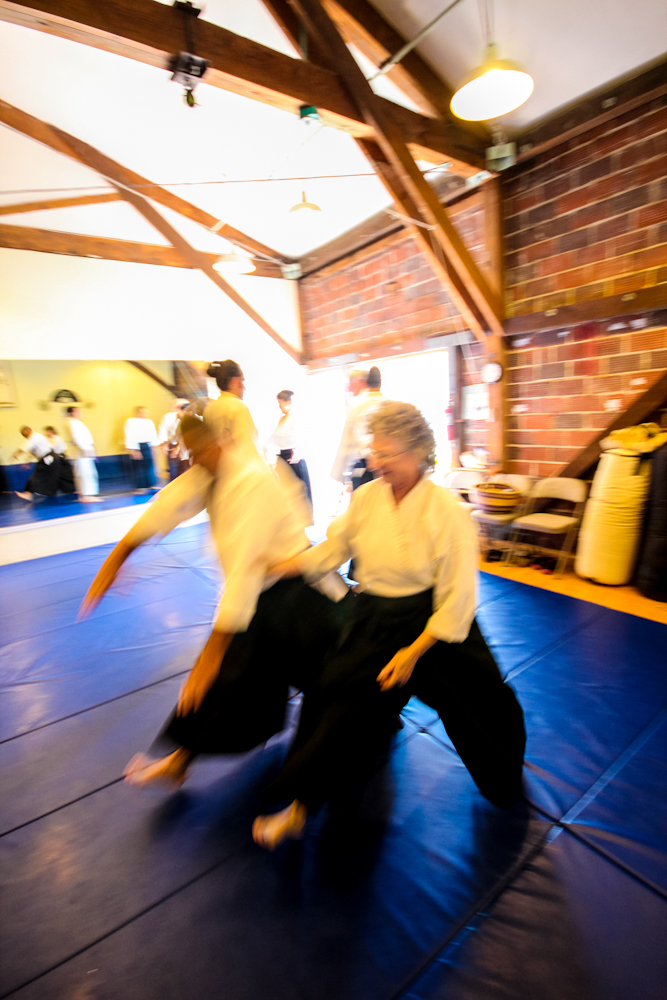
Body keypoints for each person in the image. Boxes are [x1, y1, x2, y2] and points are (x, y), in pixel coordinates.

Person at [252, 401, 526, 849]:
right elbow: (333, 549)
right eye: (373, 452)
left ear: (418, 452)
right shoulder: (366, 499)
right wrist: (283, 567)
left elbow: (459, 597)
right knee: (333, 697)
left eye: (387, 454)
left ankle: (505, 774)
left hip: (435, 620)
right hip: (377, 617)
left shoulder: (447, 512)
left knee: (485, 703)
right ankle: (301, 807)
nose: (376, 463)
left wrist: (413, 653)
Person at [79, 415, 348, 790]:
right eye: (192, 454)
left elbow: (243, 572)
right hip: (264, 593)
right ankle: (181, 760)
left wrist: (209, 656)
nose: (198, 459)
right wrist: (118, 557)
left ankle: (353, 736)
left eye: (203, 450)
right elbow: (170, 503)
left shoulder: (251, 480)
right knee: (233, 677)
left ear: (220, 441)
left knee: (329, 681)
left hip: (299, 591)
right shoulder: (211, 469)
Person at [331, 366, 383, 491]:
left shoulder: (356, 404)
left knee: (362, 499)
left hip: (363, 462)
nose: (349, 388)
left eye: (351, 383)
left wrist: (338, 474)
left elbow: (346, 440)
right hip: (382, 464)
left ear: (363, 382)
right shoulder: (387, 403)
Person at [204, 360, 258, 455]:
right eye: (242, 381)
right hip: (237, 463)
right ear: (234, 381)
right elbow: (248, 448)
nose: (244, 388)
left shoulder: (209, 409)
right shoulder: (237, 407)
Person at [269, 389, 313, 507]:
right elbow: (273, 438)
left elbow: (302, 436)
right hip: (282, 457)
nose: (279, 405)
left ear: (288, 401)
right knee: (285, 495)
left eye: (281, 402)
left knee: (298, 496)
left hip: (293, 457)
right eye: (278, 402)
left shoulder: (295, 417)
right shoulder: (281, 419)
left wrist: (297, 453)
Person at [12, 425, 75, 500]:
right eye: (23, 435)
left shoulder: (35, 437)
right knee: (57, 475)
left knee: (38, 475)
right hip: (50, 458)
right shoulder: (34, 438)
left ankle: (29, 494)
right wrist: (27, 462)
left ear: (29, 430)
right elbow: (33, 452)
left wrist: (15, 454)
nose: (24, 435)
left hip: (49, 458)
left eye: (24, 433)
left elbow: (23, 448)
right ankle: (66, 490)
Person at [64, 407, 101, 503]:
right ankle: (86, 496)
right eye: (78, 412)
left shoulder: (74, 423)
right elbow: (77, 438)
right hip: (82, 451)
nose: (81, 414)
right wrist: (84, 448)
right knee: (85, 473)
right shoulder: (73, 423)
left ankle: (84, 494)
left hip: (83, 450)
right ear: (72, 413)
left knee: (84, 473)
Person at [124, 406, 159, 492]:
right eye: (142, 412)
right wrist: (134, 450)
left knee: (150, 465)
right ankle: (140, 486)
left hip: (147, 444)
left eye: (146, 413)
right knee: (139, 467)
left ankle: (152, 484)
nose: (144, 414)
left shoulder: (149, 422)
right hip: (137, 446)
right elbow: (129, 435)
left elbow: (153, 434)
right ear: (137, 413)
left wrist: (154, 447)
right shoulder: (130, 421)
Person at [158, 398, 190, 481]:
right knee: (173, 468)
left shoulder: (189, 418)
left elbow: (183, 435)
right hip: (172, 445)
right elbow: (165, 431)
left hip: (186, 446)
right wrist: (164, 444)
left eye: (181, 407)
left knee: (185, 468)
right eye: (177, 407)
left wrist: (178, 448)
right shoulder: (168, 417)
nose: (178, 409)